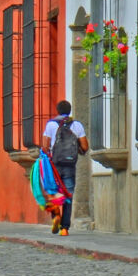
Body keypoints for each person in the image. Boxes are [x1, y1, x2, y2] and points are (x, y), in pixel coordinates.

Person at [42, 99, 87, 236]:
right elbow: (85, 147)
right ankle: (65, 228)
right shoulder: (77, 125)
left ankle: (56, 215)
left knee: (53, 191)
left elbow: (45, 146)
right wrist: (77, 150)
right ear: (69, 110)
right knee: (68, 194)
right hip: (70, 165)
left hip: (54, 164)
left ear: (58, 111)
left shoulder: (50, 125)